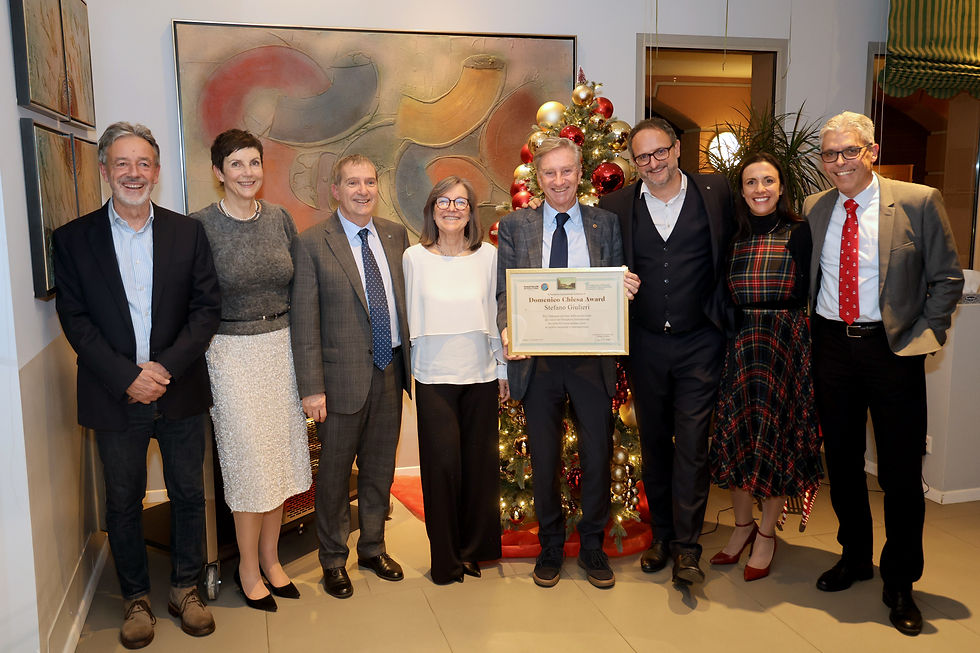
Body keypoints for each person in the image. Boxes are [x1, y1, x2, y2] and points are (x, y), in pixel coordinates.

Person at [52, 122, 220, 648]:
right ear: (104, 171)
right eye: (121, 163)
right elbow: (75, 319)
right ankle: (136, 599)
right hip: (113, 393)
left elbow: (205, 310)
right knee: (123, 501)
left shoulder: (188, 233)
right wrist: (129, 377)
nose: (133, 173)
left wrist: (161, 371)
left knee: (190, 494)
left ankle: (185, 589)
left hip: (180, 388)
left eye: (143, 163)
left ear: (157, 171)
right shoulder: (74, 239)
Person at [805, 111, 963, 636]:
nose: (839, 162)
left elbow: (946, 278)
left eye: (850, 151)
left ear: (872, 150)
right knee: (843, 464)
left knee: (898, 473)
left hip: (891, 351)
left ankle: (899, 580)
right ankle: (854, 557)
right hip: (831, 346)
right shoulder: (816, 208)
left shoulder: (917, 201)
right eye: (830, 154)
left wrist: (926, 335)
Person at [496, 136, 639, 589]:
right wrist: (506, 327)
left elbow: (615, 284)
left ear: (581, 173)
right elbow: (505, 290)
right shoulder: (516, 227)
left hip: (590, 360)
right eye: (549, 172)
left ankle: (593, 545)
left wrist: (625, 290)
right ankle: (552, 545)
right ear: (537, 178)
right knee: (544, 457)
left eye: (566, 171)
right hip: (536, 361)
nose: (558, 180)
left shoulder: (605, 224)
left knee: (597, 453)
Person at [599, 117, 734, 585]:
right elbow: (598, 267)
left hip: (701, 342)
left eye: (660, 152)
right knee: (654, 445)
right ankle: (661, 536)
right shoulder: (614, 205)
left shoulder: (716, 193)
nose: (652, 163)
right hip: (645, 344)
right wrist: (613, 284)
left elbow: (735, 251)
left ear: (677, 150)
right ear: (632, 162)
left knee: (694, 446)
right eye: (642, 157)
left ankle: (688, 548)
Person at [190, 129, 312, 611]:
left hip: (280, 349)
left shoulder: (280, 219)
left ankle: (271, 557)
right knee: (248, 466)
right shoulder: (200, 226)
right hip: (229, 354)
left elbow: (299, 289)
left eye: (254, 163)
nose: (247, 173)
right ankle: (245, 566)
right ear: (218, 173)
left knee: (279, 460)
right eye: (236, 164)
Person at [290, 154, 412, 599]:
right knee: (336, 476)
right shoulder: (311, 243)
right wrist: (311, 388)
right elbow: (304, 322)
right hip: (338, 382)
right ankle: (333, 559)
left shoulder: (396, 236)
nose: (363, 190)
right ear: (335, 191)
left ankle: (374, 547)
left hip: (390, 371)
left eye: (370, 182)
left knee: (380, 470)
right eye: (352, 183)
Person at [708, 152, 822, 581]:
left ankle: (768, 534)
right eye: (751, 182)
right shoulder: (731, 236)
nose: (760, 190)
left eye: (768, 181)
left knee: (775, 439)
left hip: (785, 347)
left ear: (781, 186)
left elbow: (817, 291)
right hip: (739, 346)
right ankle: (741, 528)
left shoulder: (800, 233)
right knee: (738, 438)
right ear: (742, 190)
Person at [402, 176, 506, 584]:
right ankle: (445, 559)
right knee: (442, 469)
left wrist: (501, 368)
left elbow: (498, 315)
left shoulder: (489, 256)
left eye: (460, 202)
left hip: (479, 374)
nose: (451, 208)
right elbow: (408, 317)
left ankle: (473, 550)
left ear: (470, 211)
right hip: (433, 377)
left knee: (479, 467)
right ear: (432, 208)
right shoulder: (414, 257)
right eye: (443, 201)